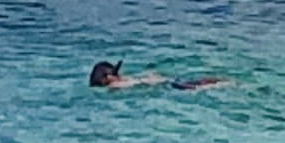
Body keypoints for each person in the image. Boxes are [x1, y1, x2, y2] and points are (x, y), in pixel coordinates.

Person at [89, 60, 230, 92]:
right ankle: (226, 83)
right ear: (108, 78)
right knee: (202, 84)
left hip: (165, 84)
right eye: (116, 73)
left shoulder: (118, 84)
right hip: (167, 85)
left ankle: (224, 82)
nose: (120, 75)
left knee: (203, 82)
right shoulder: (117, 85)